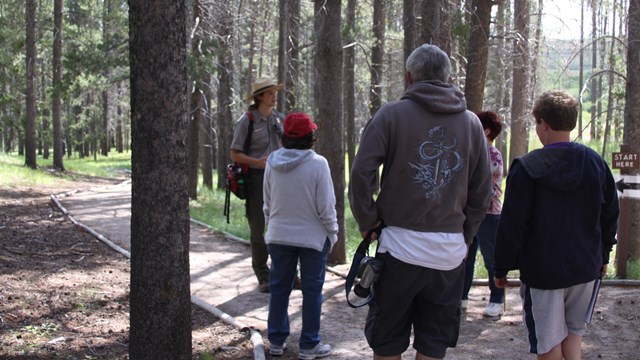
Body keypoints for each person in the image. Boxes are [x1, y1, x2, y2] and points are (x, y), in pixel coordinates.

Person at [349, 43, 492, 360]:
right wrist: (465, 235)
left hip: (398, 250)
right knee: (433, 344)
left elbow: (361, 173)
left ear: (408, 77)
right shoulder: (471, 124)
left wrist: (368, 221)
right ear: (449, 77)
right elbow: (483, 191)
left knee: (386, 342)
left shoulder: (391, 115)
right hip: (449, 256)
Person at [493, 91, 620, 360]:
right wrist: (604, 255)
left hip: (544, 272)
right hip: (585, 267)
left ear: (544, 124)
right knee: (573, 338)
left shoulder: (526, 168)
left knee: (548, 345)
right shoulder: (596, 163)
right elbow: (610, 213)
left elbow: (512, 225)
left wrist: (501, 267)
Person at [263, 112, 337, 359]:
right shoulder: (318, 164)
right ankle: (308, 346)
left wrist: (271, 227)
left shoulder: (272, 161)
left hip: (278, 235)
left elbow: (267, 203)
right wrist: (332, 232)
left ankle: (275, 341)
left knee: (279, 288)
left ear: (285, 135)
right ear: (310, 136)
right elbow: (326, 206)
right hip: (312, 238)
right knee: (312, 291)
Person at [230, 77, 286, 293]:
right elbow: (235, 154)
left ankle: (287, 273)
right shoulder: (247, 121)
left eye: (275, 92)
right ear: (259, 97)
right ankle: (263, 275)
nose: (274, 96)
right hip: (257, 179)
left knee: (282, 225)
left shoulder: (280, 119)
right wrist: (257, 162)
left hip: (281, 179)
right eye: (270, 93)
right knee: (258, 228)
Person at [461, 111, 505, 317]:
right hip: (472, 213)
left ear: (486, 130)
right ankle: (462, 297)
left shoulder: (492, 154)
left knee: (491, 259)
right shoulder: (475, 151)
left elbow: (478, 180)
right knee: (466, 257)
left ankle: (497, 300)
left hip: (490, 214)